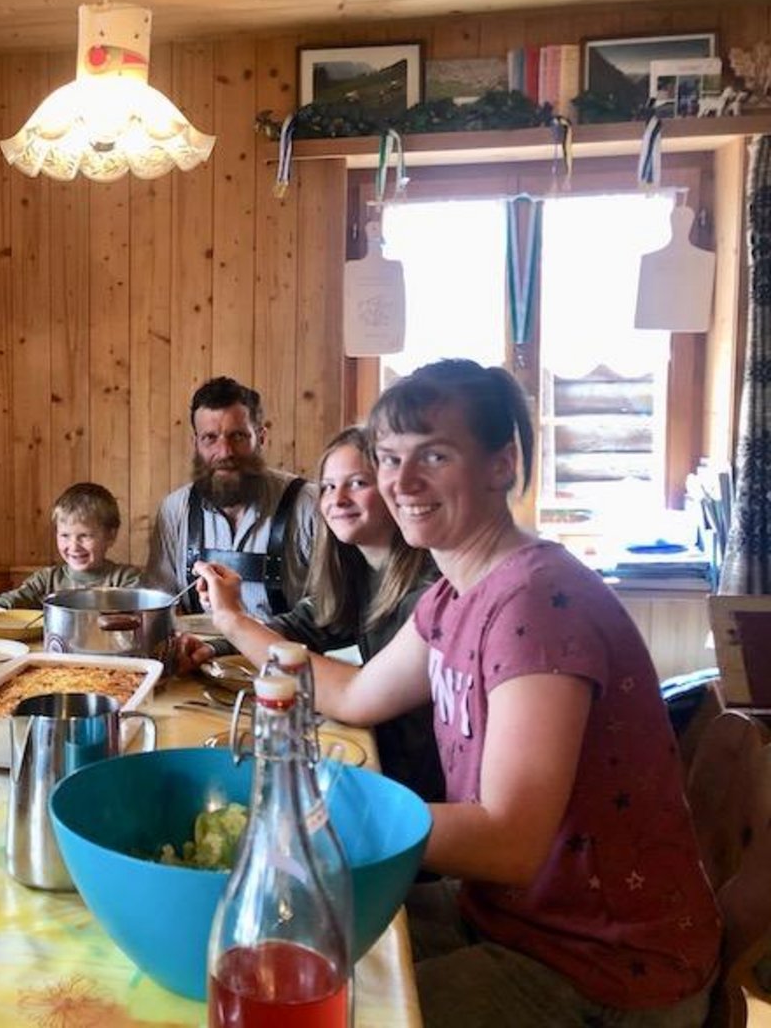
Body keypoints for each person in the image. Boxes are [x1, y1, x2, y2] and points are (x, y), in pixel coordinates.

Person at [196, 360, 720, 1026]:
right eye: (389, 458)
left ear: (502, 465)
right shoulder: (454, 595)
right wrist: (234, 623)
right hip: (505, 914)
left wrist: (313, 816)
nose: (402, 482)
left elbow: (509, 840)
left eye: (434, 456)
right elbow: (357, 696)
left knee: (330, 1003)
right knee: (285, 939)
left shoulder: (537, 603)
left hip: (602, 970)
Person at [195, 425, 444, 802]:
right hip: (384, 767)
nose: (337, 499)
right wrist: (210, 646)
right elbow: (304, 625)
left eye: (358, 483)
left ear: (396, 488)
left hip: (420, 794)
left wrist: (233, 619)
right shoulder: (358, 570)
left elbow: (356, 698)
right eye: (328, 487)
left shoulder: (428, 588)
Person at [145, 376, 315, 620]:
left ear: (261, 437)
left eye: (238, 437)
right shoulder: (175, 510)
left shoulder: (307, 504)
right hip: (198, 655)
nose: (224, 452)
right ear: (196, 444)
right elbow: (160, 602)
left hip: (283, 655)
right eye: (210, 438)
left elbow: (331, 608)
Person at [0, 483, 140, 618]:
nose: (74, 546)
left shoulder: (127, 579)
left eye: (85, 536)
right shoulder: (46, 579)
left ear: (110, 536)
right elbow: (15, 599)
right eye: (65, 536)